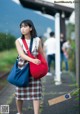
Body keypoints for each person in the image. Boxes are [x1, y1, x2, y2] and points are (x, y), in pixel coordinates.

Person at [15, 19, 45, 114]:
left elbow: (41, 53)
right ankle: (19, 112)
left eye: (25, 26)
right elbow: (21, 54)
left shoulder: (37, 40)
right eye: (21, 27)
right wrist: (33, 60)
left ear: (31, 28)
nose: (22, 29)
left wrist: (44, 66)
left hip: (34, 70)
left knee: (36, 94)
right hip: (22, 70)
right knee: (19, 94)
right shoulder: (18, 41)